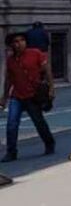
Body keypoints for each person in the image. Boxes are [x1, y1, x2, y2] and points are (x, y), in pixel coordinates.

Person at [1, 32, 55, 162]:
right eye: (16, 41)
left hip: (33, 95)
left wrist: (51, 88)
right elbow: (9, 79)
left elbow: (46, 70)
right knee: (11, 124)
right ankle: (11, 152)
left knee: (39, 122)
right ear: (11, 45)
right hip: (17, 96)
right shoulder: (11, 60)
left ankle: (49, 143)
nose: (19, 44)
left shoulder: (35, 53)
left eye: (22, 40)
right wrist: (4, 97)